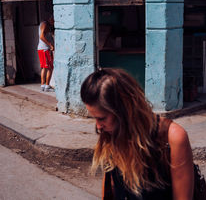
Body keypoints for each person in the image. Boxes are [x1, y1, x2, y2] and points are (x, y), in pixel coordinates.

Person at [80, 68, 194, 200]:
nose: (98, 126)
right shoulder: (112, 133)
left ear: (123, 111)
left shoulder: (173, 137)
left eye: (102, 118)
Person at [37, 16, 55, 92]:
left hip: (42, 49)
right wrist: (50, 45)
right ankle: (47, 86)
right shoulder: (44, 24)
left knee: (44, 67)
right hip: (45, 49)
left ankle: (43, 85)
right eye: (53, 21)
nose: (53, 23)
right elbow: (41, 36)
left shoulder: (48, 25)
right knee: (50, 68)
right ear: (50, 19)